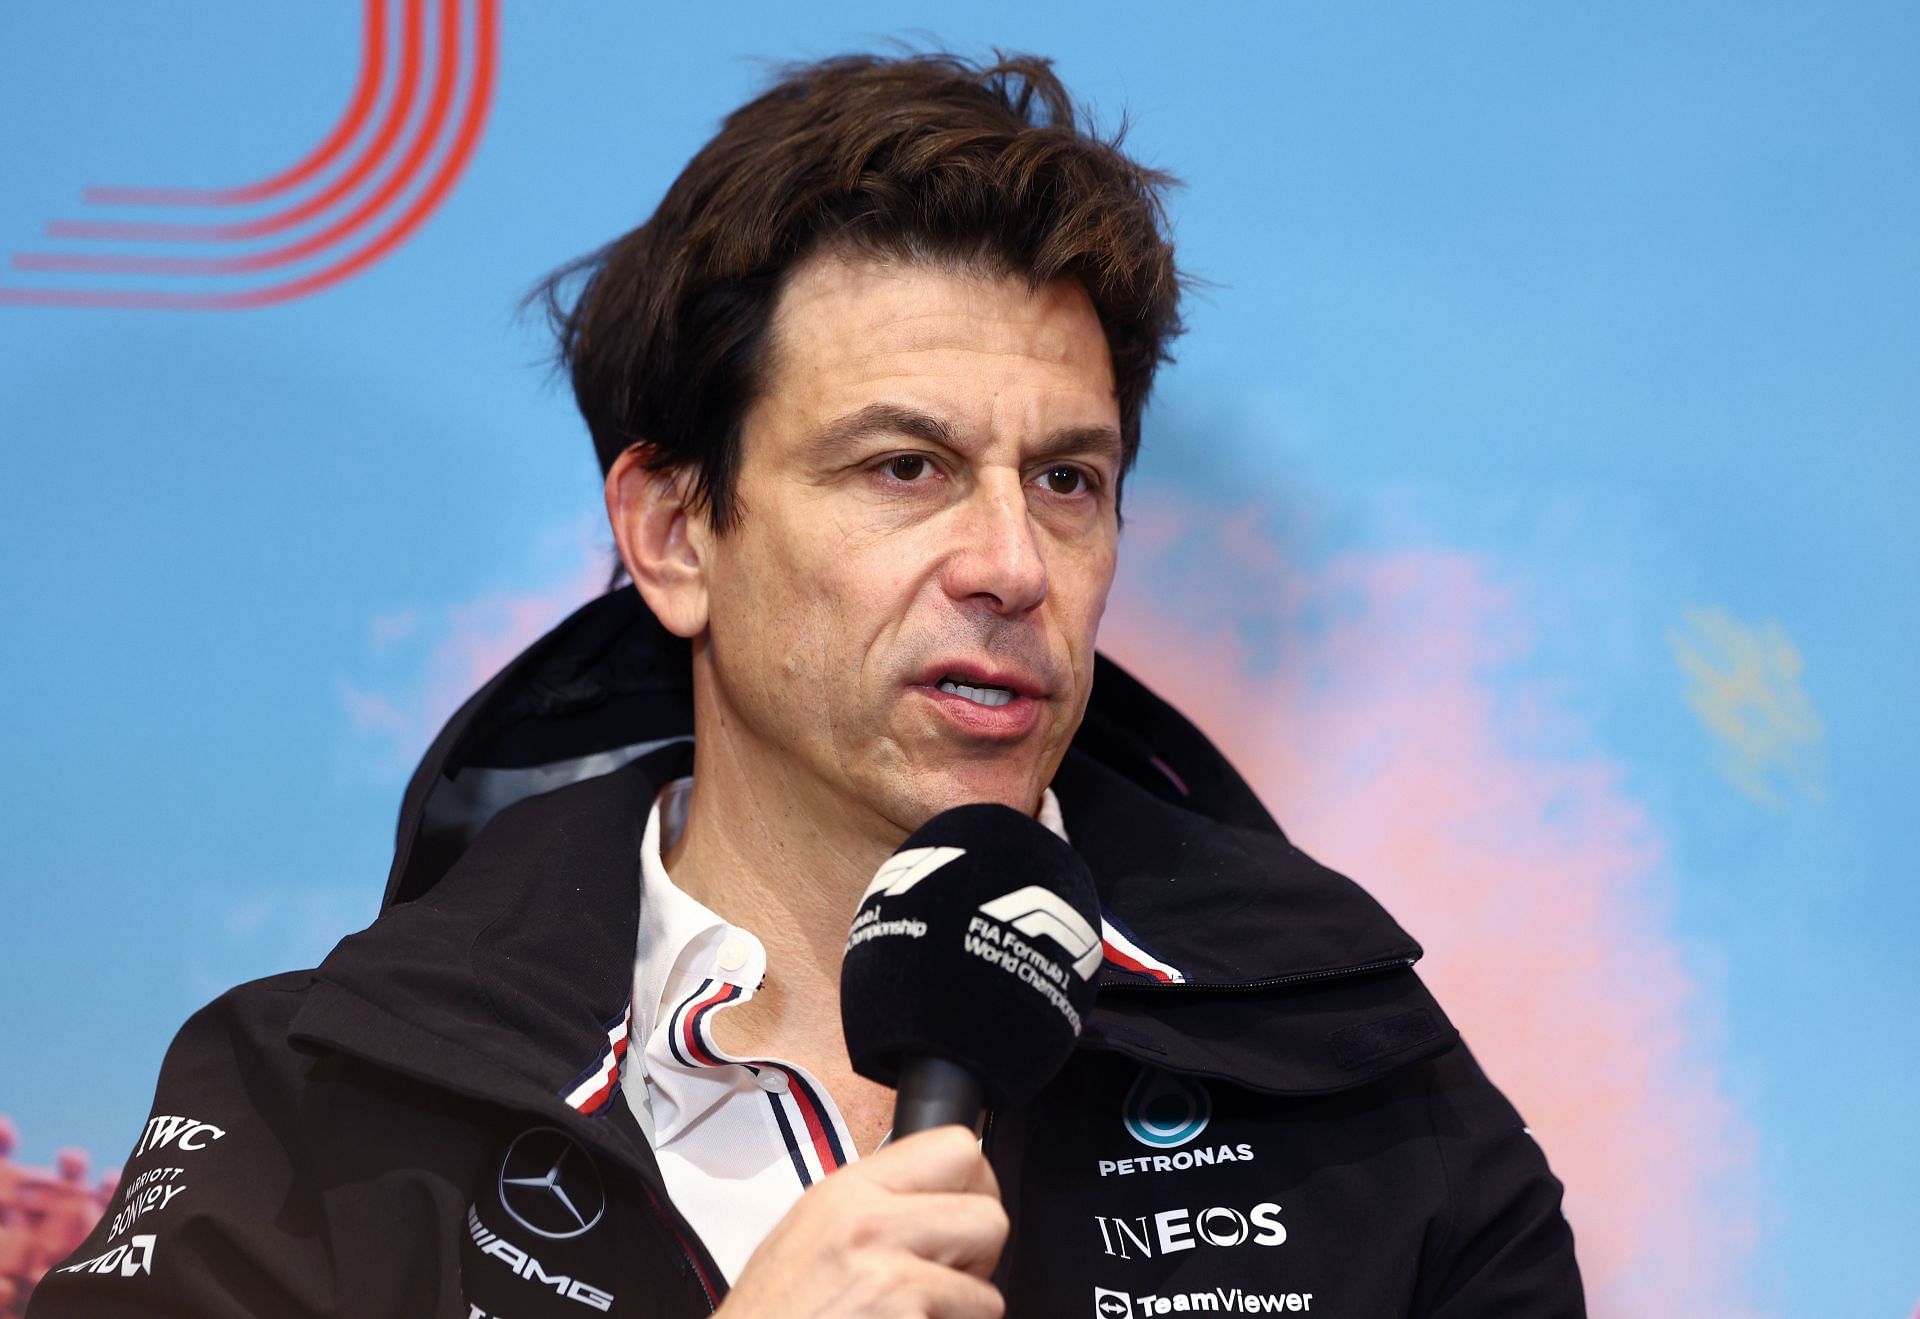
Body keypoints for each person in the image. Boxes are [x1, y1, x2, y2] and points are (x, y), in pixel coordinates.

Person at [31, 52, 1585, 1317]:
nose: (1010, 565)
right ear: (675, 531)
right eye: (904, 467)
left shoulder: (1366, 1086)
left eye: (1065, 479)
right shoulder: (323, 1104)